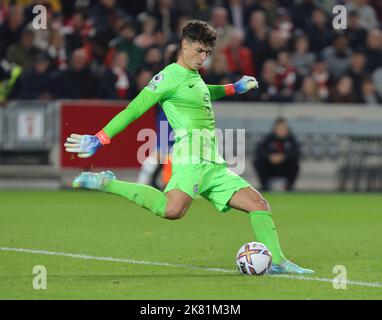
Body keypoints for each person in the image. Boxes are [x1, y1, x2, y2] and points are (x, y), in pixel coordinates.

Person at [64, 20, 313, 275]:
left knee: (258, 204)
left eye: (207, 52)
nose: (203, 57)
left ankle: (279, 262)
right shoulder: (169, 76)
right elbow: (135, 108)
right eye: (199, 50)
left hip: (212, 161)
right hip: (190, 156)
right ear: (185, 44)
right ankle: (107, 183)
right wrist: (101, 137)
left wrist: (233, 88)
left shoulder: (194, 77)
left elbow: (205, 91)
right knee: (172, 210)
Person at [254, 117, 300, 191]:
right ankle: (265, 186)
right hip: (270, 166)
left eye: (284, 127)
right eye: (280, 127)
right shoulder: (268, 139)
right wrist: (269, 157)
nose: (282, 129)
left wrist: (283, 157)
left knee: (294, 164)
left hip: (285, 166)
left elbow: (296, 152)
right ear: (275, 128)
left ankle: (288, 187)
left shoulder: (291, 139)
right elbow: (259, 151)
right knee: (258, 162)